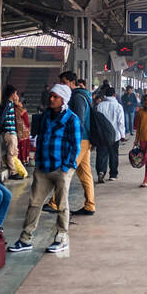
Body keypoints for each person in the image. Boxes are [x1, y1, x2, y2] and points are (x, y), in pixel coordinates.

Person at [8, 83, 82, 255]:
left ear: (63, 100)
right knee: (34, 203)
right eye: (51, 96)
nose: (51, 99)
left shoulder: (72, 119)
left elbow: (75, 146)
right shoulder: (45, 116)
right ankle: (25, 239)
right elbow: (40, 139)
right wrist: (38, 162)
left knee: (62, 205)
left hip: (62, 168)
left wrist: (66, 167)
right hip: (44, 167)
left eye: (55, 97)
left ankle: (61, 237)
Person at [48, 71, 95, 218]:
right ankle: (90, 205)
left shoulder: (77, 97)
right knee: (85, 173)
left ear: (72, 82)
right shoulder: (83, 95)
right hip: (85, 139)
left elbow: (78, 120)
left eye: (63, 82)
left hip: (80, 139)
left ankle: (55, 202)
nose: (61, 85)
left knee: (66, 169)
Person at [90, 94, 120, 184]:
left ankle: (101, 171)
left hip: (102, 134)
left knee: (102, 153)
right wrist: (122, 135)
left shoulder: (99, 106)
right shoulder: (118, 106)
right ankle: (113, 175)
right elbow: (121, 122)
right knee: (113, 154)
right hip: (114, 134)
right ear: (114, 95)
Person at [0, 85, 27, 179]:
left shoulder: (10, 104)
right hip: (9, 132)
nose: (16, 95)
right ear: (12, 94)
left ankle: (12, 168)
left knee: (14, 151)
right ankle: (12, 172)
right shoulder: (7, 104)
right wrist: (1, 127)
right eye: (16, 93)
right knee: (11, 153)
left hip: (12, 132)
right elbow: (2, 116)